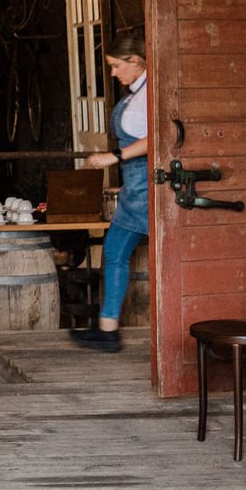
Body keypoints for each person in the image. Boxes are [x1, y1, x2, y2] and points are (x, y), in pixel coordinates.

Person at [71, 27, 149, 354]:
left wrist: (112, 157)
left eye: (117, 65)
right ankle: (107, 328)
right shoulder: (138, 91)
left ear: (135, 61)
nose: (114, 72)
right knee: (115, 252)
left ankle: (108, 330)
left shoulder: (148, 97)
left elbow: (157, 139)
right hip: (138, 188)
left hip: (146, 193)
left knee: (116, 252)